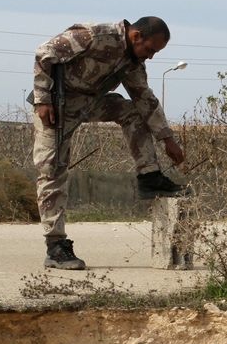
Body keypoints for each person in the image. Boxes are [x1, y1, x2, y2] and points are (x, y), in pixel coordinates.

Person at [31, 16, 187, 270]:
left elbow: (144, 98)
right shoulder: (94, 36)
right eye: (150, 49)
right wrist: (42, 99)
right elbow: (44, 52)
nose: (150, 56)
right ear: (136, 36)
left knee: (133, 112)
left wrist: (167, 139)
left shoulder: (133, 62)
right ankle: (56, 245)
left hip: (90, 103)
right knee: (52, 170)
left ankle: (150, 176)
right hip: (56, 107)